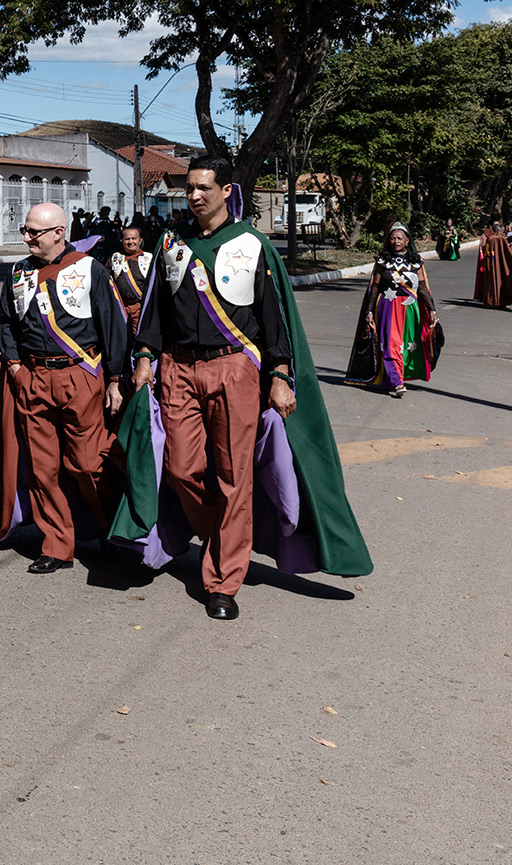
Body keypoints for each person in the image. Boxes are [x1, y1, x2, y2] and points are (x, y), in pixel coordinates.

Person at [126, 155, 371, 621]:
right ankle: (221, 533)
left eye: (203, 188)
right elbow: (155, 310)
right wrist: (143, 358)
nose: (194, 196)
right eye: (189, 188)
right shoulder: (171, 243)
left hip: (234, 370)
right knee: (181, 469)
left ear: (225, 191)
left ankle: (223, 580)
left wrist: (279, 375)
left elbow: (274, 320)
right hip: (178, 369)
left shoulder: (253, 245)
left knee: (234, 477)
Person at [0, 202, 127, 573]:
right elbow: (7, 325)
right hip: (33, 379)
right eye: (26, 231)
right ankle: (57, 545)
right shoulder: (17, 273)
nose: (27, 237)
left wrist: (115, 379)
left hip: (81, 376)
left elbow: (113, 325)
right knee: (43, 468)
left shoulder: (88, 268)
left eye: (34, 231)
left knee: (86, 463)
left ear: (59, 233)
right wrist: (15, 367)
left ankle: (110, 526)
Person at [347, 224, 443, 398]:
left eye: (400, 238)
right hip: (388, 307)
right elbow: (374, 287)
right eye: (393, 238)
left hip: (410, 309)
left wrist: (432, 310)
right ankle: (397, 383)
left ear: (407, 241)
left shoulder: (416, 262)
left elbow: (422, 288)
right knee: (391, 344)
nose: (396, 241)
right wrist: (369, 311)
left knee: (406, 346)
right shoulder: (382, 261)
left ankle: (392, 378)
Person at [108, 223, 153, 337]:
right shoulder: (115, 258)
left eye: (134, 238)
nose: (130, 242)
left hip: (140, 307)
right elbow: (106, 279)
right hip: (121, 308)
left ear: (140, 240)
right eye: (127, 239)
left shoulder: (149, 258)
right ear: (122, 241)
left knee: (139, 337)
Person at [475, 220, 509, 309]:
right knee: (500, 281)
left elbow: (484, 248)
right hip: (500, 264)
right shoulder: (501, 239)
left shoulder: (489, 239)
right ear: (498, 231)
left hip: (490, 263)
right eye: (501, 232)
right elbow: (508, 252)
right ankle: (500, 301)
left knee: (490, 282)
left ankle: (491, 301)